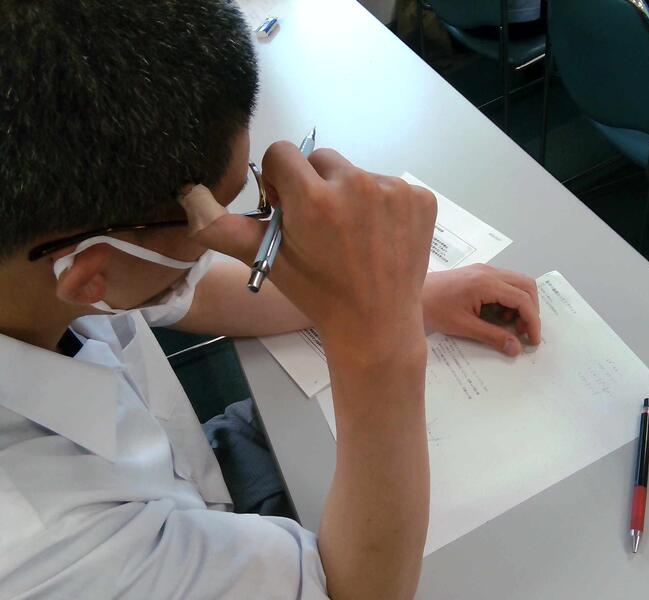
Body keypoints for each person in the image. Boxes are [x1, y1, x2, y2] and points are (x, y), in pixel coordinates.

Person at [0, 1, 541, 598]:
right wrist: (380, 341)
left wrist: (414, 297)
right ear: (89, 274)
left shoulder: (38, 262)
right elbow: (361, 591)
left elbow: (194, 289)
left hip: (193, 470)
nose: (235, 230)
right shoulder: (55, 549)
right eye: (218, 210)